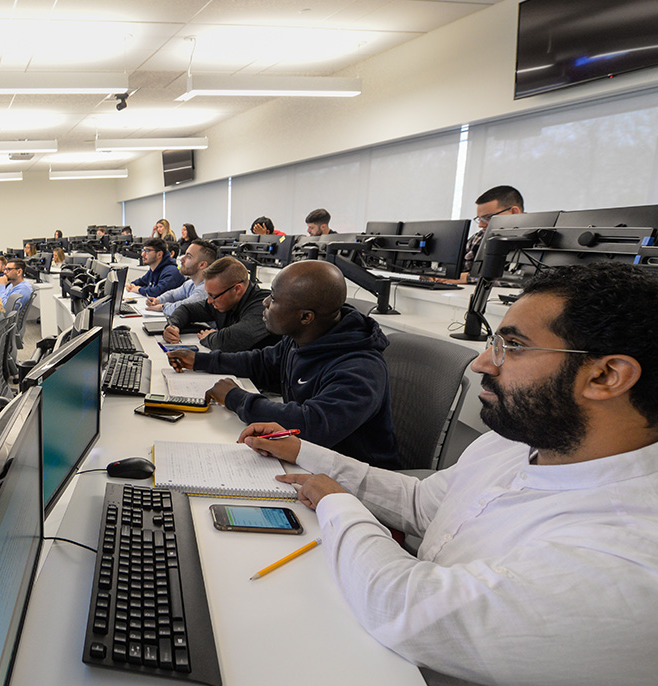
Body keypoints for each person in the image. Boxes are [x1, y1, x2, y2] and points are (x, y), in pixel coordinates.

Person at [241, 262, 658, 686]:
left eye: (512, 346)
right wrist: (304, 452)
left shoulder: (626, 559)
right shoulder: (521, 441)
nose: (482, 363)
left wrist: (337, 503)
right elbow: (424, 503)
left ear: (606, 376)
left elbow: (401, 606)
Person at [167, 260, 399, 469]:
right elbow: (260, 362)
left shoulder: (360, 367)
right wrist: (199, 360)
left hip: (353, 481)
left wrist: (236, 398)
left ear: (306, 317)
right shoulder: (301, 338)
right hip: (308, 462)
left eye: (274, 298)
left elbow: (311, 425)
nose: (265, 302)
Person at [163, 257, 276, 352]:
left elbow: (233, 340)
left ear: (237, 289)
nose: (209, 301)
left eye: (213, 296)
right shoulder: (222, 301)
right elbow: (186, 309)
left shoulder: (264, 305)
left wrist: (210, 337)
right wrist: (173, 326)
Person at [464, 185, 524, 280]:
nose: (480, 225)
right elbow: (459, 269)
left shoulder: (540, 240)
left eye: (487, 217)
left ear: (514, 212)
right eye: (479, 219)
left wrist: (469, 278)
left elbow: (525, 280)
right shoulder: (479, 237)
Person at [145, 239, 217, 317]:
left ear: (202, 264)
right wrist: (158, 300)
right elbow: (172, 294)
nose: (182, 259)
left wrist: (163, 307)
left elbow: (183, 307)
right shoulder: (191, 283)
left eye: (189, 256)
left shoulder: (205, 289)